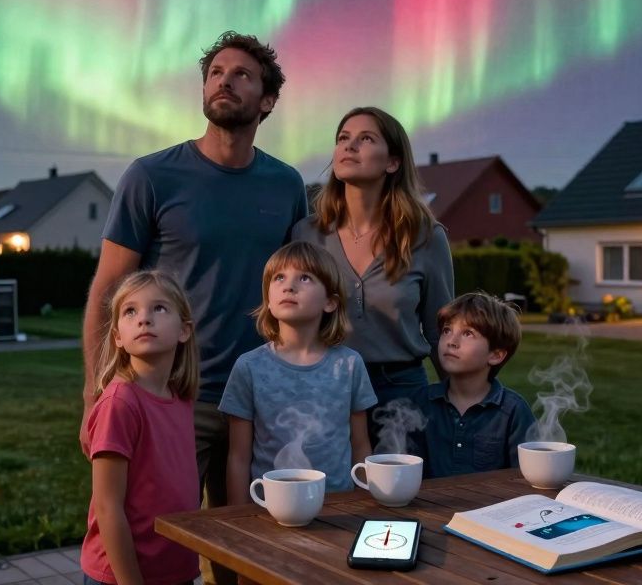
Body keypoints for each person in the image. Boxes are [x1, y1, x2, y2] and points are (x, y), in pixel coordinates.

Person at [79, 31, 307, 514]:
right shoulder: (151, 176)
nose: (224, 81)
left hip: (259, 394)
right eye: (215, 73)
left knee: (251, 536)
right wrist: (94, 390)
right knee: (160, 529)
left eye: (241, 75)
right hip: (174, 391)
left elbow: (299, 287)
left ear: (267, 100)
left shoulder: (287, 185)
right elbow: (107, 289)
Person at [291, 106, 453, 445]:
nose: (349, 146)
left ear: (392, 162)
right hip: (326, 388)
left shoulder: (426, 236)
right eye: (343, 138)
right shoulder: (306, 234)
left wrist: (459, 404)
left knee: (404, 480)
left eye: (365, 139)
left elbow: (440, 330)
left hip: (402, 393)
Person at [221, 241, 376, 497]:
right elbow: (238, 457)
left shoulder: (350, 365)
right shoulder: (248, 367)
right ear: (268, 300)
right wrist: (238, 515)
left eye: (304, 278)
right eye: (279, 278)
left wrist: (362, 507)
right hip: (269, 508)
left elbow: (361, 448)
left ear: (330, 302)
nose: (289, 286)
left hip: (338, 508)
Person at [80, 271, 201, 585]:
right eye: (130, 311)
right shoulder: (120, 404)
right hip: (122, 576)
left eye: (159, 308)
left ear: (184, 330)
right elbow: (107, 507)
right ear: (118, 337)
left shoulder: (181, 398)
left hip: (175, 571)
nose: (144, 319)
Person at [407, 292, 535, 479]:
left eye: (467, 333)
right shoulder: (420, 403)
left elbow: (526, 478)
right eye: (447, 330)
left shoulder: (514, 411)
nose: (451, 342)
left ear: (496, 355)